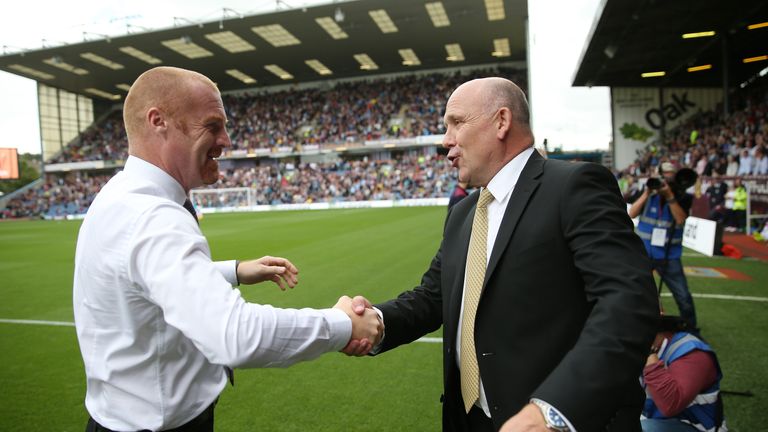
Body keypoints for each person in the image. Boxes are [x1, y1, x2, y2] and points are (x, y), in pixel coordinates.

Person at [73, 66, 382, 431]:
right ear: (159, 122)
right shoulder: (153, 216)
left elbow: (139, 280)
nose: (226, 140)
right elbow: (235, 335)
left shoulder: (120, 194)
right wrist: (343, 324)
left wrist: (233, 270)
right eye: (213, 125)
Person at [345, 77, 658, 431]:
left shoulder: (574, 186)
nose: (446, 140)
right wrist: (375, 321)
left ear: (501, 121)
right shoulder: (463, 214)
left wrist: (554, 410)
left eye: (457, 123)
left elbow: (628, 301)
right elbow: (434, 296)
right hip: (470, 419)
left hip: (553, 421)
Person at [629, 162, 697, 330]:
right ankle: (637, 324)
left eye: (670, 174)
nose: (666, 178)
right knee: (636, 291)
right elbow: (632, 213)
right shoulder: (649, 192)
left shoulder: (683, 196)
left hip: (669, 255)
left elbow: (680, 219)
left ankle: (691, 329)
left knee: (683, 296)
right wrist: (646, 192)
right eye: (664, 174)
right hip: (645, 253)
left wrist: (670, 197)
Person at [641, 316, 726, 431]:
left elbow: (670, 404)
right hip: (655, 418)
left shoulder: (691, 353)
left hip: (695, 426)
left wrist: (649, 354)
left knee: (642, 428)